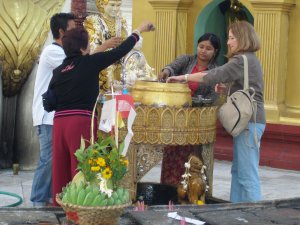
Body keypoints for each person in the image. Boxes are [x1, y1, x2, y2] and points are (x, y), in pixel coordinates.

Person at [49, 22, 154, 205]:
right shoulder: (90, 63)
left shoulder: (59, 71)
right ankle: (81, 210)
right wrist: (139, 31)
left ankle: (59, 208)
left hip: (59, 122)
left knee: (60, 168)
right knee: (81, 169)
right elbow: (121, 50)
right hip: (79, 121)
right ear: (84, 47)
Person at [167, 20, 265, 203]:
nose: (229, 42)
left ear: (243, 39)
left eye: (232, 38)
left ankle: (254, 214)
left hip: (249, 122)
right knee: (239, 172)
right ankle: (236, 211)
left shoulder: (242, 60)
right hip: (250, 122)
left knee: (247, 174)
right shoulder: (248, 59)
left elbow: (211, 75)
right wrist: (226, 90)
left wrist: (183, 77)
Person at [158, 33, 221, 186]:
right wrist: (166, 72)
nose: (203, 51)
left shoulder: (216, 70)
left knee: (191, 157)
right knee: (172, 152)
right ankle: (167, 187)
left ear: (215, 51)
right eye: (201, 47)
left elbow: (213, 97)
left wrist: (191, 101)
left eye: (208, 48)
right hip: (177, 117)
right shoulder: (187, 60)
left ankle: (189, 188)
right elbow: (172, 67)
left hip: (196, 119)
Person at [31, 13, 76, 207]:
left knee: (55, 160)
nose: (76, 32)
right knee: (47, 159)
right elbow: (76, 66)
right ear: (61, 31)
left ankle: (50, 198)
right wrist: (102, 49)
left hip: (55, 115)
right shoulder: (53, 51)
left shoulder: (61, 51)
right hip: (46, 115)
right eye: (72, 28)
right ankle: (38, 200)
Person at [84, 0, 128, 93]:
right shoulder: (92, 22)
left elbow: (126, 44)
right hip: (102, 65)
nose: (115, 9)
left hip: (120, 64)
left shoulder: (122, 22)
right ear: (102, 4)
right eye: (112, 5)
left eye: (118, 5)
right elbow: (91, 49)